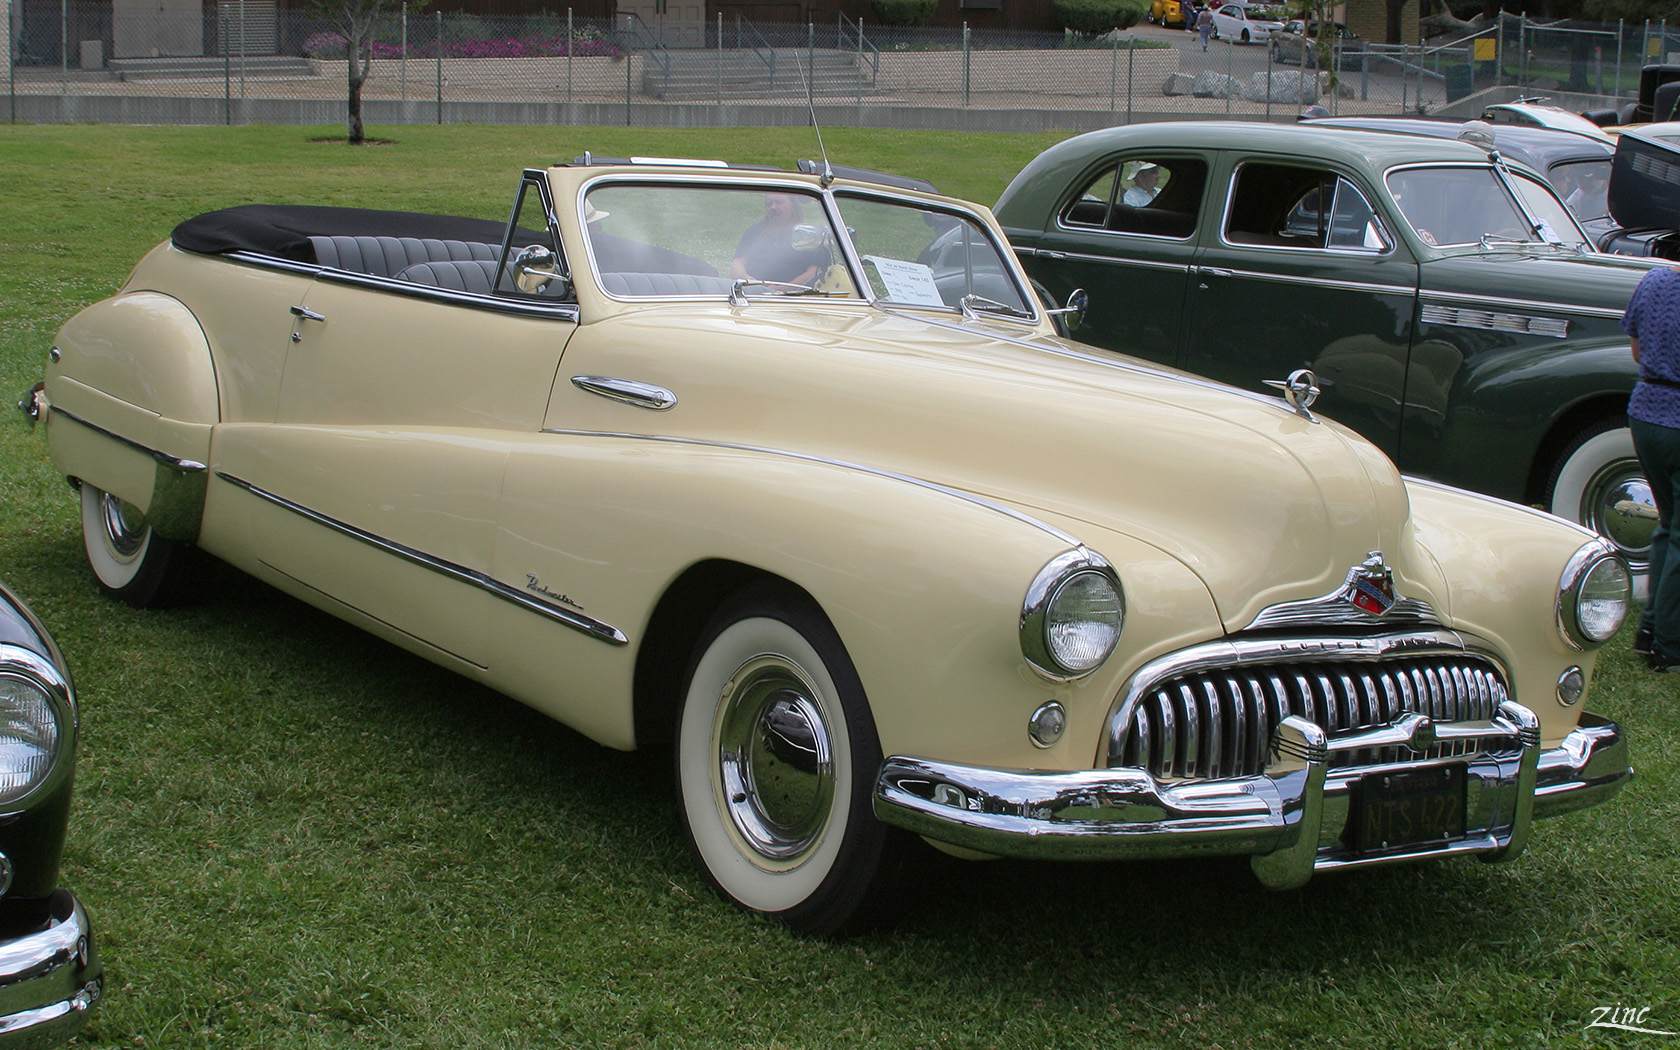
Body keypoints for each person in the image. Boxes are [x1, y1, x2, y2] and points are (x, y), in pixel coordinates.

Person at [1622, 265, 1680, 672]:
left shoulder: (1655, 280)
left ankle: (1649, 630)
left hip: (1646, 412)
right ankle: (1670, 646)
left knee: (1668, 525)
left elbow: (1638, 350)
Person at [731, 192, 828, 286]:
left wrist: (780, 290)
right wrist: (746, 278)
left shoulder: (809, 235)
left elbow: (814, 272)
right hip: (752, 294)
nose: (773, 207)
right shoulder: (754, 231)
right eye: (769, 204)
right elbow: (738, 262)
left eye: (779, 202)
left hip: (790, 299)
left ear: (794, 205)